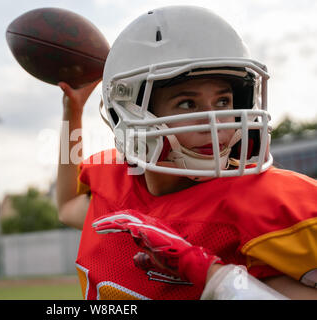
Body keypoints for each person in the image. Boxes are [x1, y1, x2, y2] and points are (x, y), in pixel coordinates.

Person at [56, 6, 317, 300]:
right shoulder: (114, 182)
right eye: (187, 104)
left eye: (223, 101)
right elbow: (67, 206)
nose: (214, 123)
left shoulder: (264, 203)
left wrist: (214, 276)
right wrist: (72, 112)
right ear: (131, 113)